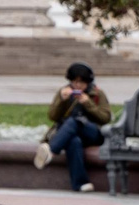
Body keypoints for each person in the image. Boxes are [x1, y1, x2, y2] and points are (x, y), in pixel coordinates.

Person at [38, 62, 115, 193]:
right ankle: (81, 184)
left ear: (88, 82)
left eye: (81, 82)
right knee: (73, 141)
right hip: (72, 133)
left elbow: (105, 118)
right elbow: (52, 116)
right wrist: (62, 100)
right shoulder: (64, 92)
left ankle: (51, 150)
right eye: (74, 82)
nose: (77, 85)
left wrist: (87, 103)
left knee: (75, 121)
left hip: (92, 133)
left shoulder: (97, 94)